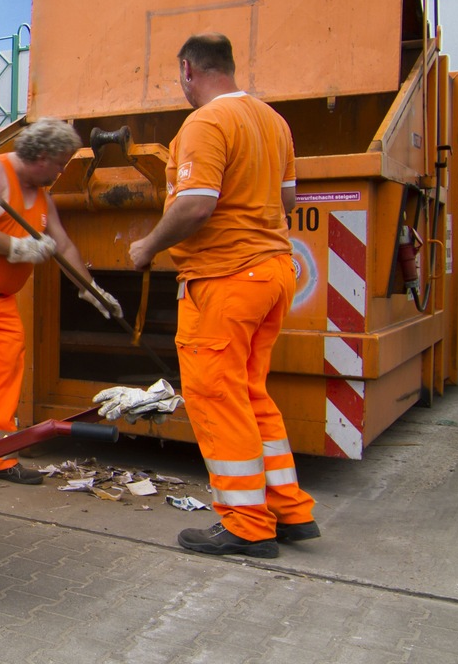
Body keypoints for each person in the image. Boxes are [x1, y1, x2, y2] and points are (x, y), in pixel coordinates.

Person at [128, 33, 319, 558]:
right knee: (252, 394)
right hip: (275, 273)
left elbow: (195, 204)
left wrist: (147, 246)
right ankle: (288, 509)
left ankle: (245, 523)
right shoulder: (273, 122)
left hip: (226, 280)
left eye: (179, 77)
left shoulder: (207, 123)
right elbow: (287, 198)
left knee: (217, 398)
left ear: (188, 69)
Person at [0, 117, 122, 485]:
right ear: (42, 156)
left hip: (1, 301)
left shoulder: (42, 196)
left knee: (3, 378)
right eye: (61, 164)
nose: (62, 172)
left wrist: (92, 290)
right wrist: (19, 247)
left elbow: (62, 245)